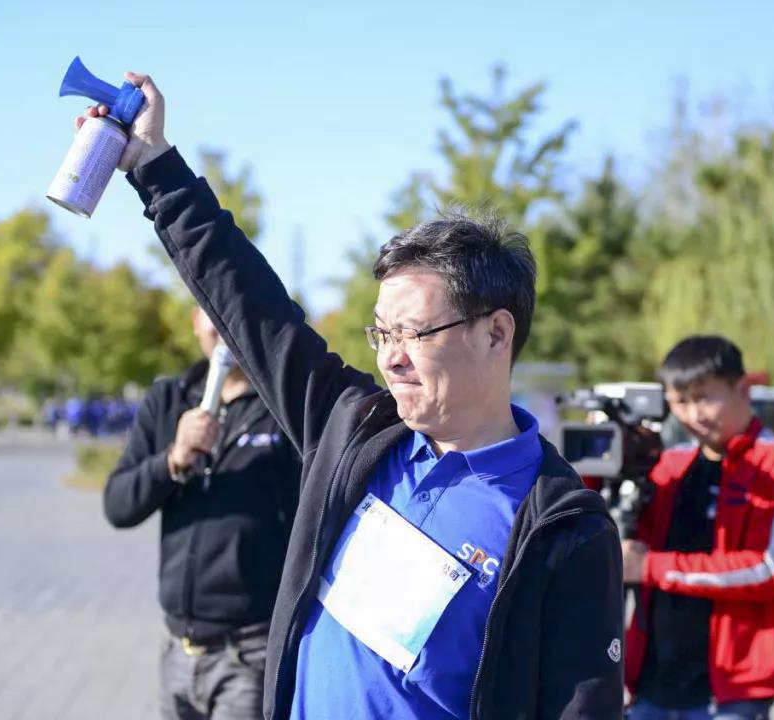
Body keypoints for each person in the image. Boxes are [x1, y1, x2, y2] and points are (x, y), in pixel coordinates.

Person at [79, 71, 624, 720]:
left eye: (414, 333)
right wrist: (154, 164)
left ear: (496, 334)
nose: (391, 356)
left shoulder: (562, 528)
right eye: (382, 333)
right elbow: (253, 307)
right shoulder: (357, 432)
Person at [103, 305, 301, 720]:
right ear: (195, 321)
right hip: (177, 651)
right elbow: (118, 506)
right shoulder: (167, 400)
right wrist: (172, 460)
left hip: (249, 654)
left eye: (231, 309)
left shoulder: (285, 407)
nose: (221, 326)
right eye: (211, 312)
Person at [622, 336, 774, 720]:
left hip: (732, 688)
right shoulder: (669, 464)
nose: (693, 414)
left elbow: (766, 569)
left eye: (703, 397)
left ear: (742, 388)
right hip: (654, 682)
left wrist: (651, 567)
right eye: (680, 401)